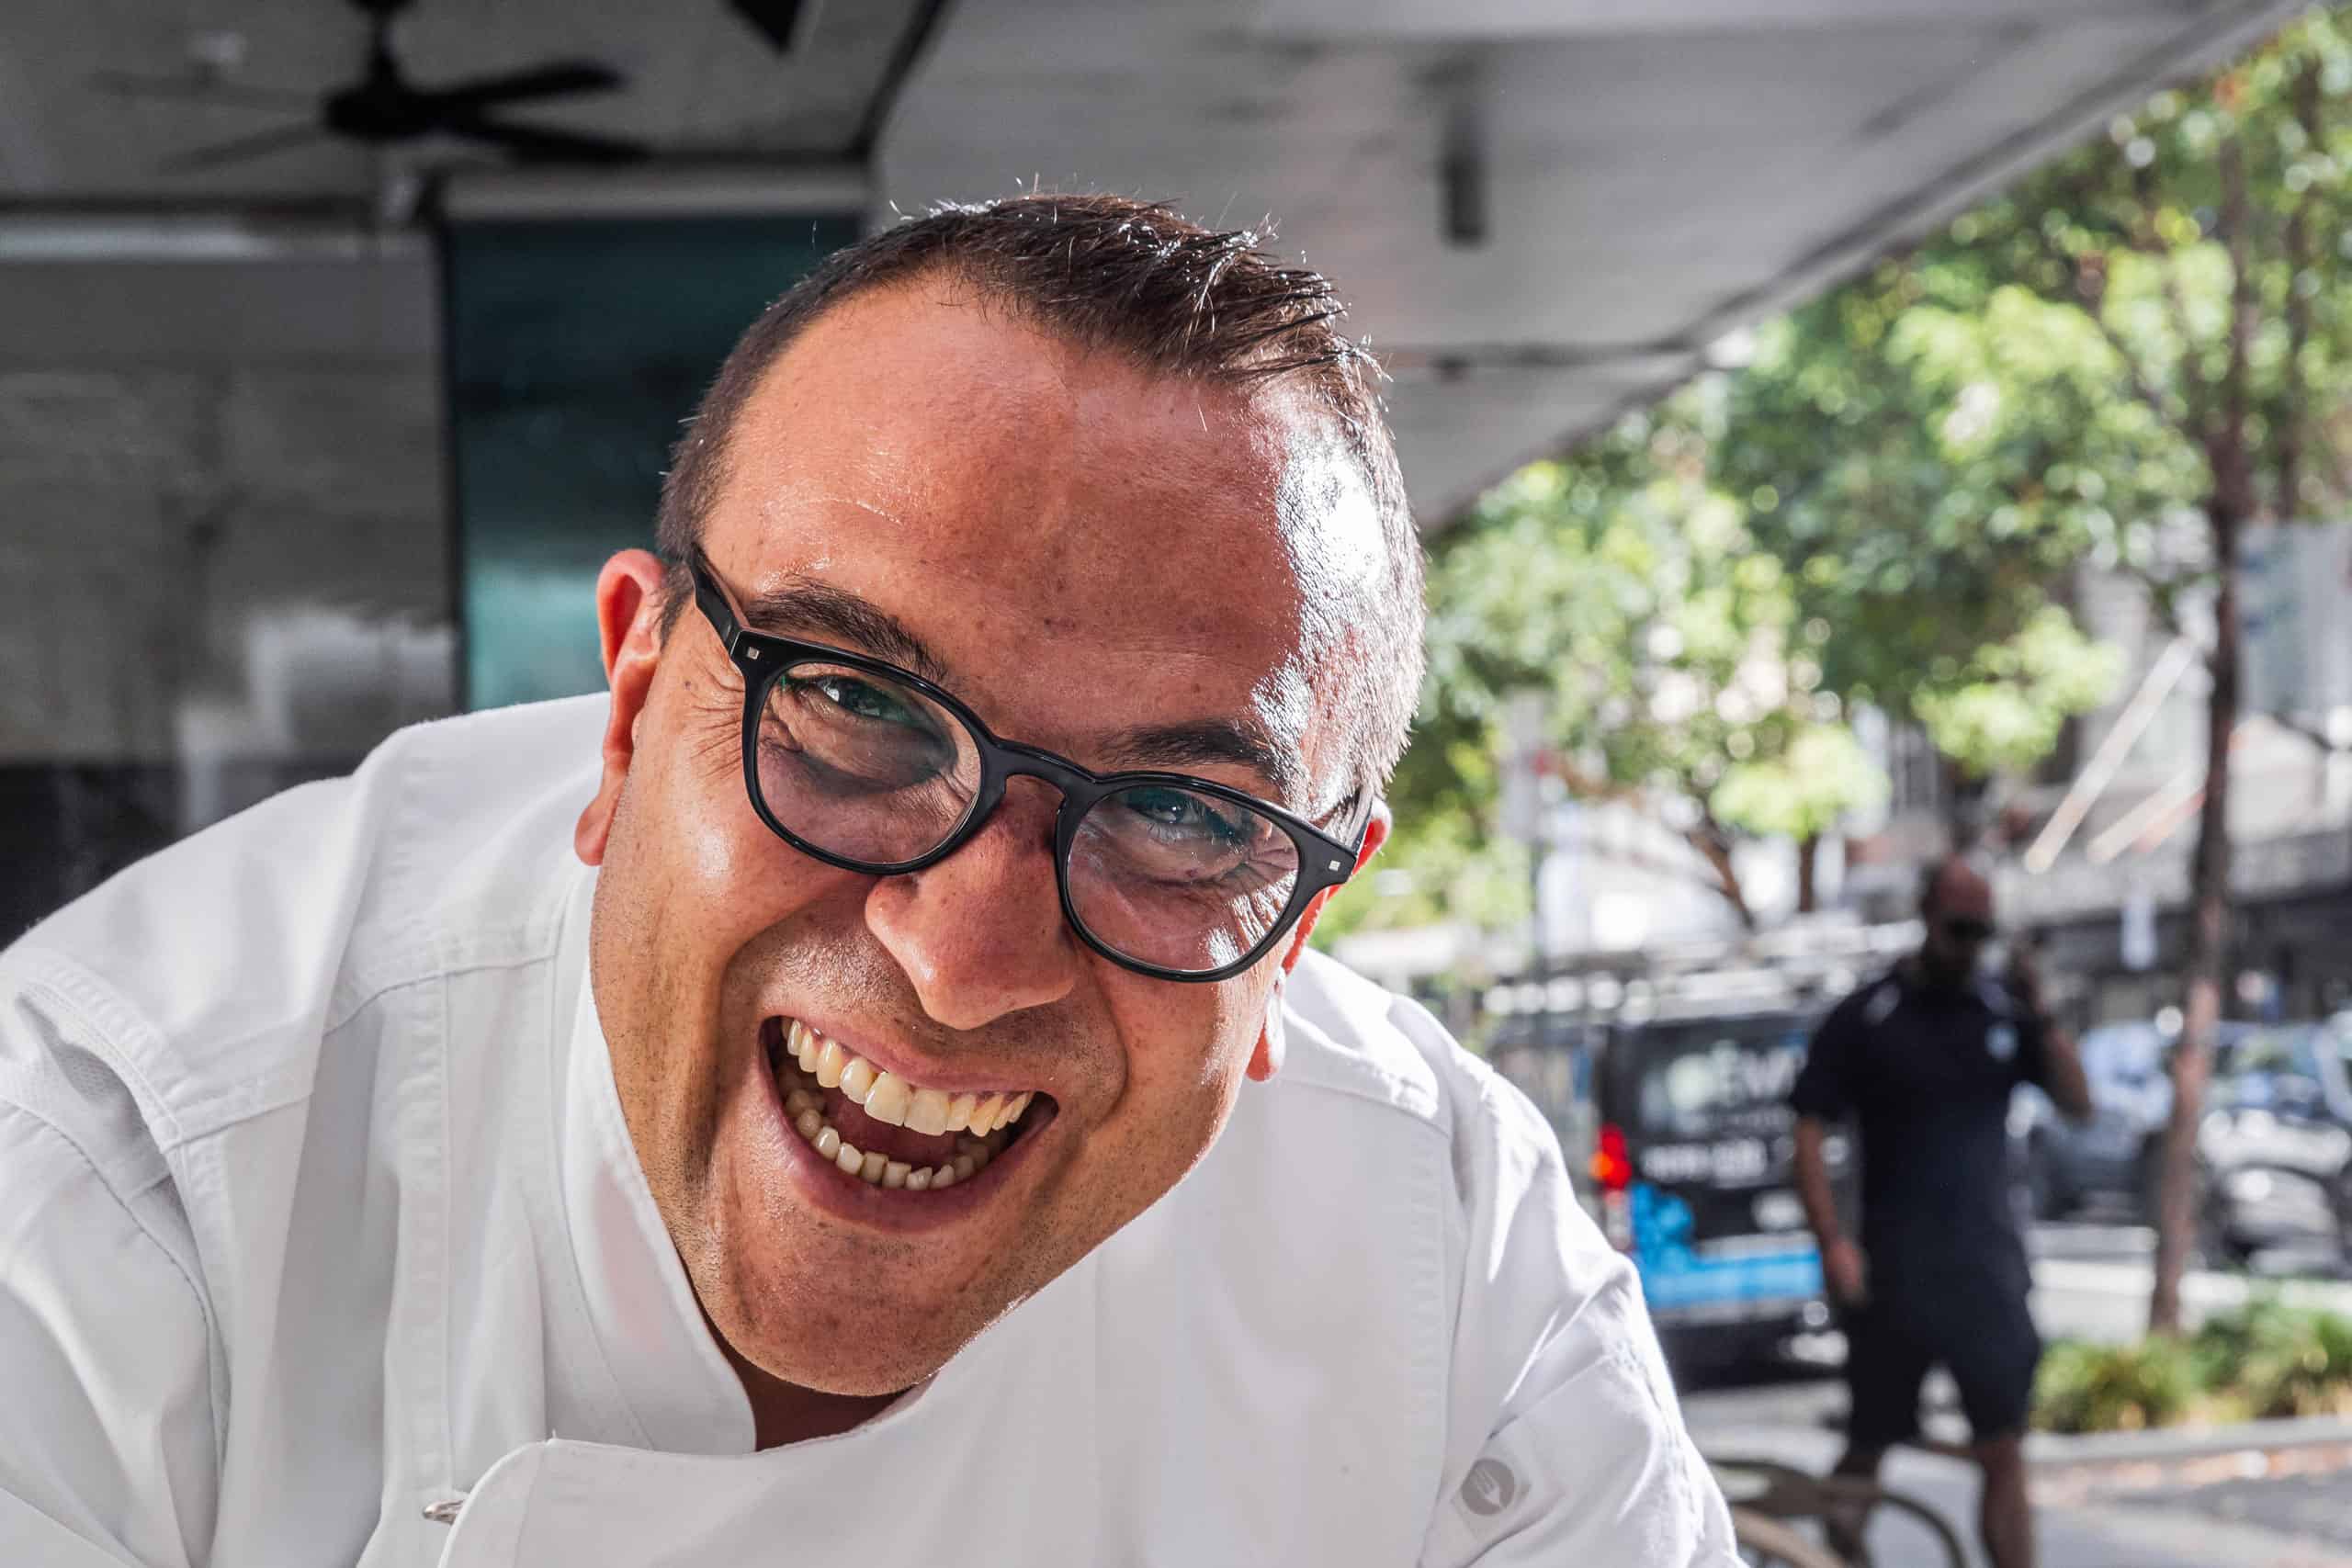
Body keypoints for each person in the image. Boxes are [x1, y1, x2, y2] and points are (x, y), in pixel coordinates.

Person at [0, 196, 1736, 1566]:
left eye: (1188, 816)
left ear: (1302, 923)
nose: (971, 955)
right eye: (852, 705)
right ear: (625, 712)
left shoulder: (1445, 1263)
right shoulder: (113, 1187)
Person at [1790, 856, 2092, 1568]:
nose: (1969, 944)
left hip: (1986, 1270)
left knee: (2003, 1447)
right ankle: (1842, 1551)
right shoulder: (1869, 1014)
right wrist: (1831, 1240)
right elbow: (1807, 1126)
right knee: (1870, 1442)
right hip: (1892, 1271)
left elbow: (2080, 1103)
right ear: (1927, 916)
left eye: (1981, 930)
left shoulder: (2002, 1011)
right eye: (1958, 927)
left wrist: (2039, 1006)